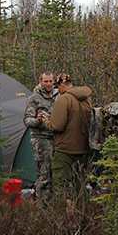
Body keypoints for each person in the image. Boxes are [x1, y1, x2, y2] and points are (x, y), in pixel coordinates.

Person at [45, 72, 92, 200]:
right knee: (81, 186)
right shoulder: (87, 99)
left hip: (65, 150)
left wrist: (46, 121)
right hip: (83, 149)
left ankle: (60, 217)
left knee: (60, 185)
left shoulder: (63, 99)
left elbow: (57, 126)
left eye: (57, 86)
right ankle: (83, 215)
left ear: (61, 85)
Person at [23, 71, 57, 205]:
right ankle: (43, 206)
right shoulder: (34, 98)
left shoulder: (59, 96)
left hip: (56, 138)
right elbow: (27, 121)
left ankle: (54, 204)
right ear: (40, 81)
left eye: (50, 81)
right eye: (46, 81)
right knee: (44, 175)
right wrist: (38, 120)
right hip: (41, 139)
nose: (48, 84)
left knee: (55, 174)